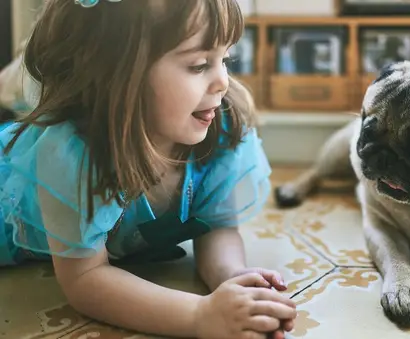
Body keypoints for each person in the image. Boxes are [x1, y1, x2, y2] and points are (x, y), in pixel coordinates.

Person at [0, 1, 297, 338]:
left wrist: (232, 277)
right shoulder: (71, 152)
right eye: (199, 65)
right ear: (116, 74)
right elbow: (85, 278)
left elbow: (216, 227)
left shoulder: (220, 130)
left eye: (225, 59)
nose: (222, 82)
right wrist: (200, 313)